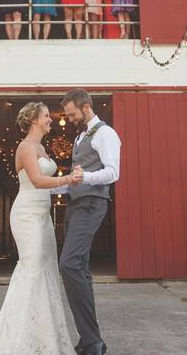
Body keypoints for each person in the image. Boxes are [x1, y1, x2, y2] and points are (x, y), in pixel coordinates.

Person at [0, 102, 84, 355]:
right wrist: (68, 179)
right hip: (26, 214)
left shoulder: (41, 148)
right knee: (32, 267)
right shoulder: (25, 147)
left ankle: (43, 337)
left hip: (43, 216)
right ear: (35, 119)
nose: (51, 119)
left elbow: (48, 182)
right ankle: (16, 339)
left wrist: (72, 185)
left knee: (46, 269)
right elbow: (37, 181)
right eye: (47, 116)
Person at [59, 89, 121, 355]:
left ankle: (92, 340)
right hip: (74, 206)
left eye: (72, 113)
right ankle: (91, 341)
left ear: (86, 108)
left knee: (68, 264)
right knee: (80, 270)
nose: (70, 118)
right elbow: (75, 176)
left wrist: (85, 178)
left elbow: (113, 173)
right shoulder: (81, 136)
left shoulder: (106, 133)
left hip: (91, 204)